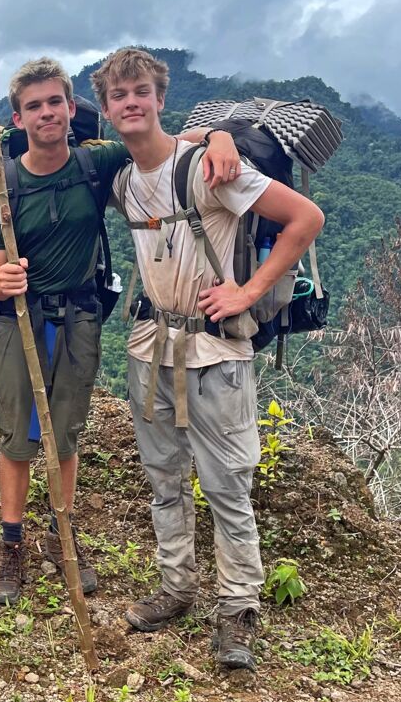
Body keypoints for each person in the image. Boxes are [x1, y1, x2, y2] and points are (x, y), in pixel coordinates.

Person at [0, 56, 241, 605]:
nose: (46, 113)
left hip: (78, 320)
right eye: (33, 106)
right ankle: (11, 544)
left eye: (55, 102)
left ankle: (61, 532)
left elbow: (162, 142)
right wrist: (2, 279)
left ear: (72, 109)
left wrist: (218, 135)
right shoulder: (3, 182)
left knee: (65, 433)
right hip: (19, 322)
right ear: (18, 119)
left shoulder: (95, 165)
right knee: (17, 438)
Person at [90, 48, 324, 670]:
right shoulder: (122, 182)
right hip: (151, 348)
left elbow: (305, 218)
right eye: (119, 95)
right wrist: (209, 131)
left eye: (141, 90)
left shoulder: (207, 170)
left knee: (226, 488)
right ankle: (176, 587)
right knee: (164, 480)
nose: (131, 102)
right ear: (107, 109)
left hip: (215, 351)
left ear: (160, 98)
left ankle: (238, 609)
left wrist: (247, 292)